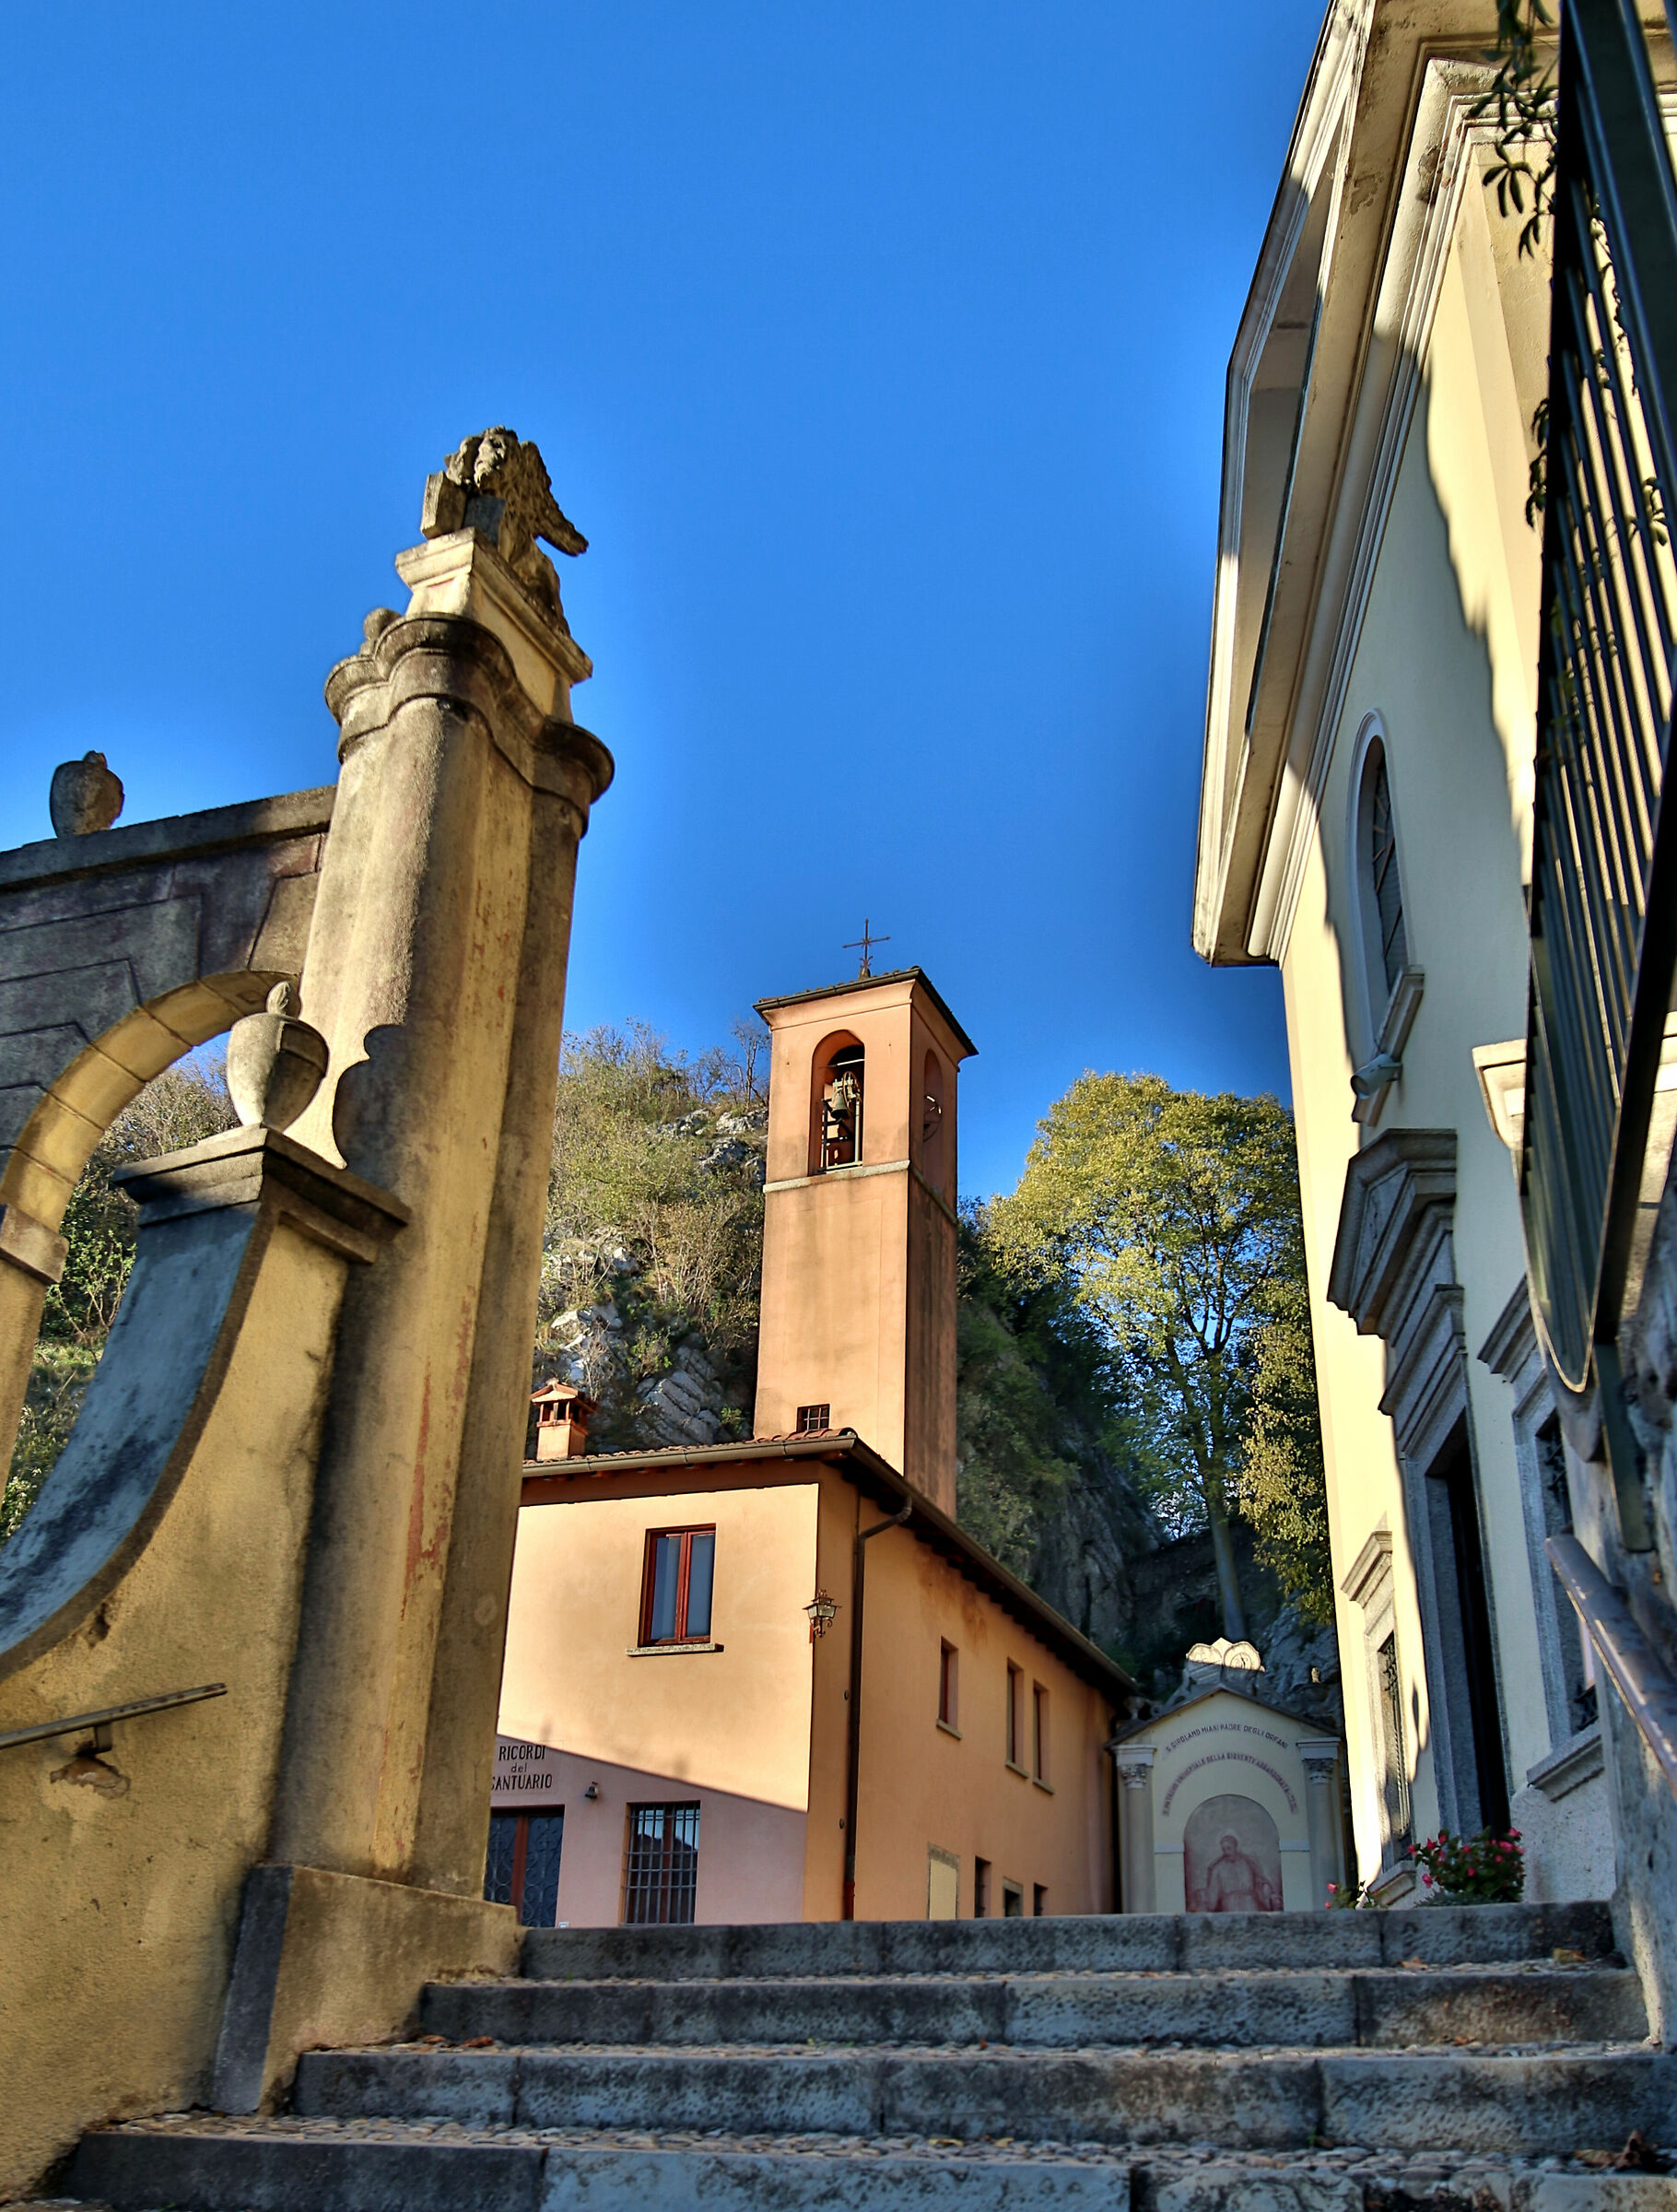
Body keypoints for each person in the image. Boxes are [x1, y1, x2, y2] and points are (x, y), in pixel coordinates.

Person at [1202, 1830, 1278, 1912]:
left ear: (1235, 1846)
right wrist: (1209, 1906)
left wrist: (1267, 1889)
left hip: (1249, 1901)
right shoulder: (1217, 1868)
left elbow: (1260, 1879)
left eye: (1229, 1848)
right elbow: (1213, 1890)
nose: (1227, 1851)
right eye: (1224, 1849)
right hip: (1229, 1903)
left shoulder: (1248, 1862)